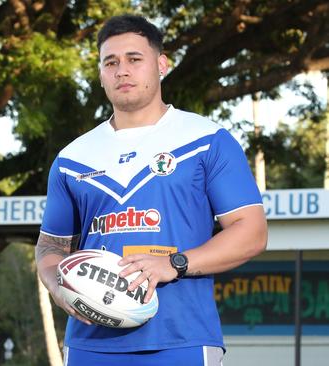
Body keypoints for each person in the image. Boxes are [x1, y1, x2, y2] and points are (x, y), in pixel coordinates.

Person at [36, 15, 267, 366]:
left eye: (134, 59)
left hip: (181, 340)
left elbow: (252, 232)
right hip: (90, 344)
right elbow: (51, 245)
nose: (122, 71)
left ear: (161, 64)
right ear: (100, 74)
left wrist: (173, 264)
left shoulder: (206, 140)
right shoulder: (71, 158)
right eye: (110, 63)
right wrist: (58, 287)